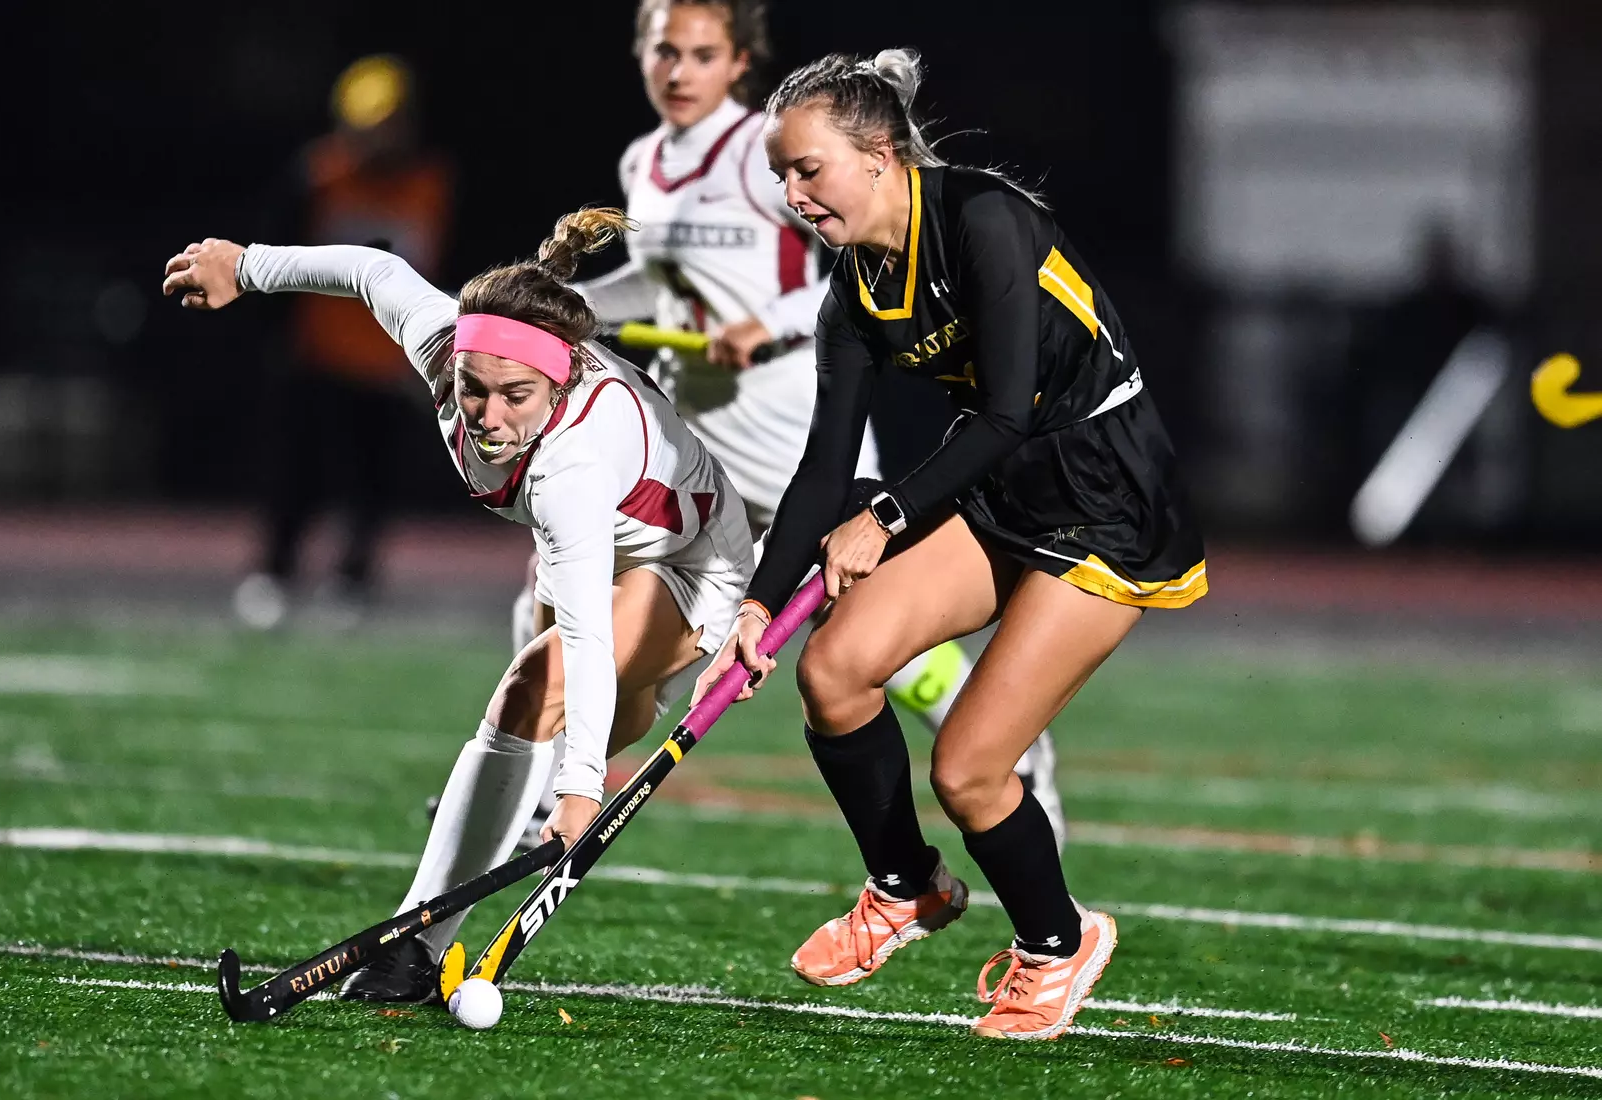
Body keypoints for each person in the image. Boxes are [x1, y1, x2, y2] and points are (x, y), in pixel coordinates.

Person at [697, 51, 1207, 1041]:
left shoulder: (983, 219)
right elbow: (821, 468)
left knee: (968, 768)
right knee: (832, 669)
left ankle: (1057, 944)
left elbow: (1009, 410)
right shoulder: (853, 291)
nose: (792, 195)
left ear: (878, 154)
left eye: (807, 169)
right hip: (1001, 491)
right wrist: (754, 607)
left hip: (1105, 502)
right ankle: (905, 885)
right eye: (782, 175)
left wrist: (884, 517)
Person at [500, 0, 1063, 850]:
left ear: (738, 63)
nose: (678, 71)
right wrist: (561, 308)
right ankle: (531, 794)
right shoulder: (646, 162)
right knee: (555, 582)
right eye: (663, 52)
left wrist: (769, 323)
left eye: (701, 54)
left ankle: (1010, 745)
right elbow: (662, 287)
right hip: (694, 432)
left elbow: (846, 273)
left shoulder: (773, 150)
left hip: (791, 422)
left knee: (861, 633)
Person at [162, 210, 755, 1003]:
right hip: (596, 542)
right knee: (600, 713)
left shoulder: (575, 465)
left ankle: (415, 944)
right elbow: (372, 273)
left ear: (563, 381)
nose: (488, 417)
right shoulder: (448, 347)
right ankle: (563, 767)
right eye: (474, 389)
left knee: (533, 695)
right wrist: (246, 266)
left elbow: (585, 637)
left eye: (516, 395)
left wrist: (581, 789)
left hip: (689, 560)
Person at [234, 54, 455, 631]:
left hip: (390, 359)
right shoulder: (318, 176)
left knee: (374, 479)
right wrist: (277, 339)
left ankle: (352, 580)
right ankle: (274, 573)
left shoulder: (431, 182)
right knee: (295, 473)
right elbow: (275, 258)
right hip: (317, 353)